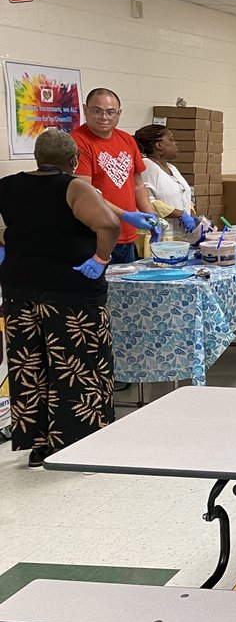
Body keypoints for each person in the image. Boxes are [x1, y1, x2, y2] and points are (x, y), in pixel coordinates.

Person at [0, 129, 121, 467]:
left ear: (37, 158)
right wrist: (100, 260)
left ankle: (39, 446)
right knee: (80, 365)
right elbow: (108, 224)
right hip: (71, 292)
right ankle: (84, 443)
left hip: (19, 290)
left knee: (31, 365)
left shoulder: (7, 186)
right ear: (73, 160)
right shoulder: (74, 186)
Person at [71, 87, 158, 264]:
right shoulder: (77, 141)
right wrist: (125, 214)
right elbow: (86, 194)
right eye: (97, 111)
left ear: (119, 113)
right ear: (85, 109)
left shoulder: (127, 139)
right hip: (96, 237)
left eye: (110, 112)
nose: (104, 117)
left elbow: (137, 184)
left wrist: (151, 215)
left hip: (127, 236)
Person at [133, 124, 197, 241]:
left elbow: (182, 193)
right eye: (171, 140)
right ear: (159, 145)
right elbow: (147, 202)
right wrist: (180, 214)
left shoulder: (172, 168)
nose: (175, 143)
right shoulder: (147, 166)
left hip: (179, 235)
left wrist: (192, 214)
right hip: (160, 235)